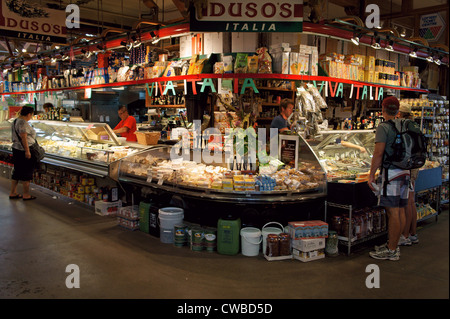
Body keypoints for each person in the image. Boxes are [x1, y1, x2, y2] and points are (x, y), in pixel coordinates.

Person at [368, 96, 410, 261]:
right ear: (398, 110)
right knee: (399, 210)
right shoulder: (404, 124)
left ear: (383, 110)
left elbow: (378, 153)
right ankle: (394, 246)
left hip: (391, 173)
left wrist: (371, 174)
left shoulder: (384, 127)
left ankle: (391, 250)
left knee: (392, 212)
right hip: (404, 171)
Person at [397, 101, 419, 245]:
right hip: (414, 165)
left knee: (407, 203)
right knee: (411, 202)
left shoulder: (403, 126)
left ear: (399, 113)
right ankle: (412, 234)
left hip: (408, 166)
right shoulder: (414, 126)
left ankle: (404, 236)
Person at [9, 106, 38, 201]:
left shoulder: (15, 121)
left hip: (16, 149)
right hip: (24, 150)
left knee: (17, 171)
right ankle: (26, 194)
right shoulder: (23, 123)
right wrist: (27, 151)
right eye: (32, 115)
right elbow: (23, 137)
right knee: (27, 172)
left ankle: (13, 192)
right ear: (29, 114)